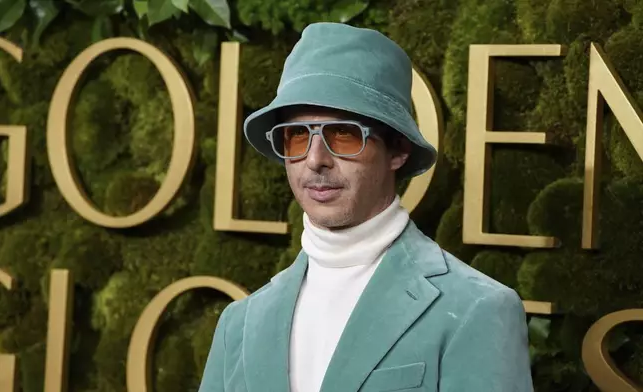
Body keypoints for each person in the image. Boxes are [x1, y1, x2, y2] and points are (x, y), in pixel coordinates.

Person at [198, 22, 533, 392]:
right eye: (296, 137)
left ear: (398, 151)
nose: (315, 160)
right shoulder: (239, 324)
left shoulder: (477, 308)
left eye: (343, 134)